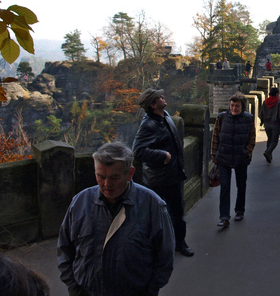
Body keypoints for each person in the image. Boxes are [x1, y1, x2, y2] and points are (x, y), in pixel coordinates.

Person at [57, 142, 175, 296]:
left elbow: (165, 255)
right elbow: (64, 248)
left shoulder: (152, 205)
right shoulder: (80, 202)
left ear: (130, 173)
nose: (106, 184)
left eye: (114, 177)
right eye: (100, 176)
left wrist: (151, 290)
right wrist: (74, 288)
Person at [132, 88, 193, 257]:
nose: (163, 97)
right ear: (152, 105)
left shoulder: (165, 116)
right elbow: (138, 151)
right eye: (159, 97)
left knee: (178, 213)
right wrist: (162, 155)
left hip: (173, 175)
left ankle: (180, 243)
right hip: (158, 179)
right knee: (156, 216)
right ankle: (155, 248)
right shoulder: (148, 125)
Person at [211, 92, 256, 227]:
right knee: (224, 187)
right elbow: (215, 137)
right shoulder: (222, 117)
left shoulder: (248, 119)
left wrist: (246, 152)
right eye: (232, 105)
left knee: (241, 185)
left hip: (241, 158)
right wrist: (214, 155)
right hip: (224, 157)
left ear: (242, 107)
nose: (234, 108)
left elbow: (252, 138)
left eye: (237, 106)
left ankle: (239, 211)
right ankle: (224, 217)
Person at [259, 87, 280, 163]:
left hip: (267, 123)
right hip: (275, 124)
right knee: (274, 141)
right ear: (277, 94)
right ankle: (268, 152)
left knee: (269, 139)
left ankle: (269, 155)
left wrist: (262, 121)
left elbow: (261, 113)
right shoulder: (279, 102)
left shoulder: (265, 101)